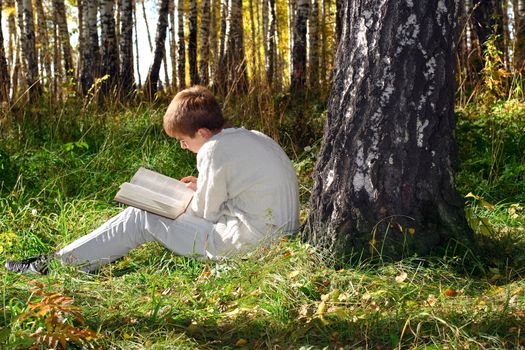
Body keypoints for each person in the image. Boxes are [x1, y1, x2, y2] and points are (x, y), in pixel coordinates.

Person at [5, 86, 300, 274]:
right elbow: (244, 189)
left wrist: (182, 198)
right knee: (147, 212)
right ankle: (64, 259)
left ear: (203, 133)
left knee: (141, 215)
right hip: (278, 235)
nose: (184, 147)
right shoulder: (254, 137)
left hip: (249, 244)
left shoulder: (213, 149)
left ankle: (55, 265)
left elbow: (204, 213)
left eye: (184, 141)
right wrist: (201, 186)